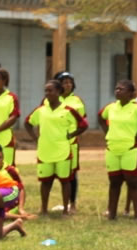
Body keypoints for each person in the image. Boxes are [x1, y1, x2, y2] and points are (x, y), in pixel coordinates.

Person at [98, 80, 137, 220]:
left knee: (133, 183)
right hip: (113, 149)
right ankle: (112, 214)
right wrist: (107, 131)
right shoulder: (111, 107)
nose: (118, 91)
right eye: (116, 88)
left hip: (130, 150)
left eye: (122, 89)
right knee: (114, 183)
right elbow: (100, 116)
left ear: (131, 94)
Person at [26, 80, 88, 216]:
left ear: (59, 92)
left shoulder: (68, 110)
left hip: (62, 151)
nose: (47, 93)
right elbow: (28, 123)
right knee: (45, 182)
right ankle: (43, 209)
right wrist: (35, 139)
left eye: (50, 90)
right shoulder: (41, 110)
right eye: (46, 91)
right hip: (45, 151)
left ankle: (66, 209)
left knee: (65, 181)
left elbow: (83, 124)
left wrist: (71, 135)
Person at [53, 71, 87, 213]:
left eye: (70, 82)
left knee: (71, 174)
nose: (67, 85)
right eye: (64, 82)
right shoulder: (51, 98)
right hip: (53, 143)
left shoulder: (77, 101)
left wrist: (73, 134)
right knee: (51, 174)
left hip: (70, 143)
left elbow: (82, 121)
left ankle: (72, 204)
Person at [0, 143, 29, 218]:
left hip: (10, 203)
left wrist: (21, 208)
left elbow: (21, 188)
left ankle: (21, 217)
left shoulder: (10, 170)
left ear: (3, 158)